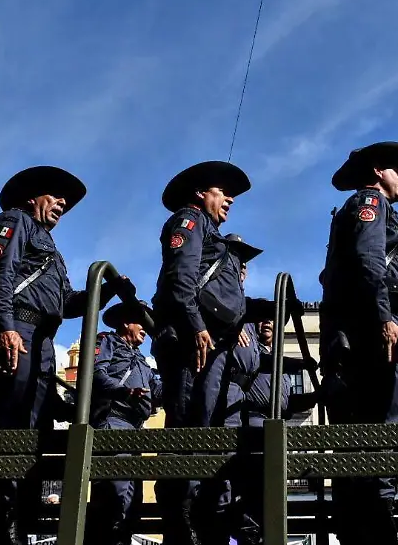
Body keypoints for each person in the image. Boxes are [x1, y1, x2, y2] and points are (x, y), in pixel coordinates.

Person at [0, 165, 128, 544]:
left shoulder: (52, 251)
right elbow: (0, 277)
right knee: (10, 429)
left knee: (37, 432)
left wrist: (107, 291)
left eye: (65, 201)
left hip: (42, 339)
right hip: (17, 331)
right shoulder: (15, 221)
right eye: (55, 196)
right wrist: (4, 327)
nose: (62, 204)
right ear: (32, 197)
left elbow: (69, 303)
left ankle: (22, 521)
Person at [319, 141, 398, 545]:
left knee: (359, 438)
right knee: (388, 418)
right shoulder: (370, 202)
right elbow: (369, 260)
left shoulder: (364, 207)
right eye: (397, 171)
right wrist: (384, 318)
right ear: (378, 171)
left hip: (356, 333)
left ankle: (365, 522)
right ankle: (377, 515)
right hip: (372, 330)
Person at [151, 161, 251, 545]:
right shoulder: (189, 221)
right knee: (186, 432)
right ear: (200, 193)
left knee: (202, 431)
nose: (230, 200)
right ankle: (180, 524)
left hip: (211, 344)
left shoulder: (212, 233)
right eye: (222, 191)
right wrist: (196, 327)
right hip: (190, 342)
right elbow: (180, 280)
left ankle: (197, 520)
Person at [84, 300, 161, 545]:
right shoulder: (107, 341)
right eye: (141, 321)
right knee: (114, 494)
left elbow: (157, 390)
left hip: (135, 430)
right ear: (126, 322)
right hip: (113, 421)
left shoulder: (142, 359)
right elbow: (95, 373)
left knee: (131, 499)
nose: (145, 328)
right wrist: (123, 391)